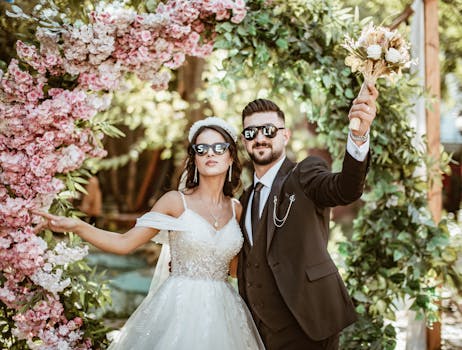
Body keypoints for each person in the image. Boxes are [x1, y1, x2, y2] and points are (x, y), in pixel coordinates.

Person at [34, 117, 265, 350]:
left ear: (231, 157)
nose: (210, 154)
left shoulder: (237, 208)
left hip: (224, 310)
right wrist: (77, 226)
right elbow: (124, 243)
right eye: (201, 148)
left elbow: (235, 270)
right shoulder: (175, 202)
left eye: (219, 147)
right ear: (194, 157)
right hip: (179, 306)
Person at [237, 87, 378, 350]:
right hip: (258, 334)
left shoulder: (305, 174)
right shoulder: (244, 200)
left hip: (308, 324)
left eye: (268, 130)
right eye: (250, 132)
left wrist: (358, 134)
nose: (259, 138)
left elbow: (345, 188)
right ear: (244, 141)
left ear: (285, 135)